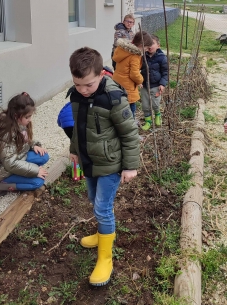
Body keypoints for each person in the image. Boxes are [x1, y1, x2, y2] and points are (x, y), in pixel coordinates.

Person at [67, 47, 139, 286]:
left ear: (101, 74)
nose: (83, 90)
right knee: (92, 197)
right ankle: (101, 235)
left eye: (88, 85)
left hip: (110, 164)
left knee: (102, 207)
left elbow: (129, 133)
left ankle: (105, 258)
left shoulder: (113, 98)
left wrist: (130, 166)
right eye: (78, 85)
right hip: (89, 161)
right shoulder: (76, 96)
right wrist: (74, 150)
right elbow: (78, 128)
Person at [0, 92, 49, 191]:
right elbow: (10, 163)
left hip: (13, 157)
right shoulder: (6, 132)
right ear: (16, 116)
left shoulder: (16, 122)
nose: (30, 120)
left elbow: (23, 140)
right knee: (38, 182)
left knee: (43, 156)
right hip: (0, 170)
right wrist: (35, 170)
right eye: (27, 117)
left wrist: (33, 145)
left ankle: (20, 172)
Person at [57, 67, 114, 139]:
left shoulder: (73, 101)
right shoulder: (99, 95)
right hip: (71, 122)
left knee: (76, 141)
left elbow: (59, 121)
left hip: (65, 122)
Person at [112, 31, 153, 118]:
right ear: (141, 45)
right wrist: (141, 79)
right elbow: (134, 74)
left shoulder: (123, 50)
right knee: (131, 109)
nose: (147, 50)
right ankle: (130, 125)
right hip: (127, 87)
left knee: (119, 107)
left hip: (117, 82)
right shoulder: (135, 55)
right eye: (146, 47)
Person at [140, 34, 168, 131]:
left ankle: (157, 115)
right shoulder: (142, 57)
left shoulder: (162, 58)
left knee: (155, 103)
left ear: (158, 46)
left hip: (156, 86)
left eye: (152, 44)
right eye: (148, 44)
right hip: (144, 85)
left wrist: (162, 84)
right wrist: (138, 81)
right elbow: (138, 69)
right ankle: (148, 121)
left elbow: (165, 72)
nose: (150, 46)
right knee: (145, 105)